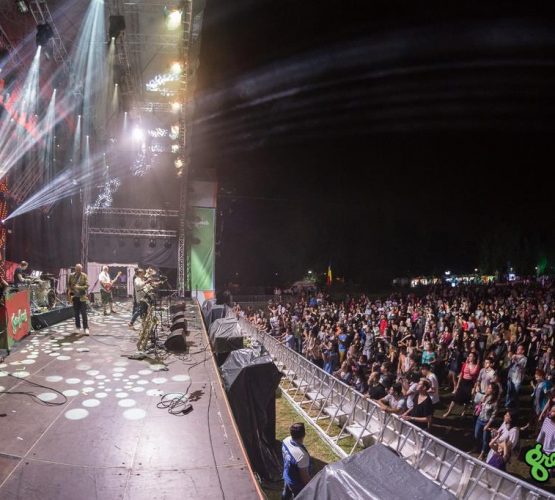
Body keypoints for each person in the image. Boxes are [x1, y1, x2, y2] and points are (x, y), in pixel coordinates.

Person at [282, 422, 311, 499]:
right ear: (304, 435)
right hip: (296, 484)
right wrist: (311, 487)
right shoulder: (302, 456)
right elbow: (304, 477)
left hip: (287, 475)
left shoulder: (285, 440)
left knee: (286, 494)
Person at [474, 382, 500, 460]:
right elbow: (478, 404)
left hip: (487, 422)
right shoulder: (485, 396)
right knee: (477, 435)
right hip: (479, 419)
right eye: (488, 387)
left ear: (493, 391)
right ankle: (483, 447)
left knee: (485, 438)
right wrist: (482, 400)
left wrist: (488, 425)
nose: (487, 389)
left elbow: (493, 415)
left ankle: (482, 453)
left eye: (489, 388)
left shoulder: (495, 402)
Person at [67, 264, 89, 335]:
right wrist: (70, 291)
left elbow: (87, 286)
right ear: (75, 269)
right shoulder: (71, 275)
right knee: (76, 313)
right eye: (77, 270)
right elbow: (68, 284)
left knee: (84, 313)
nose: (78, 271)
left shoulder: (84, 276)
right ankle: (78, 327)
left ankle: (86, 328)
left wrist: (78, 287)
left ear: (81, 269)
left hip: (82, 297)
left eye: (79, 270)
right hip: (74, 297)